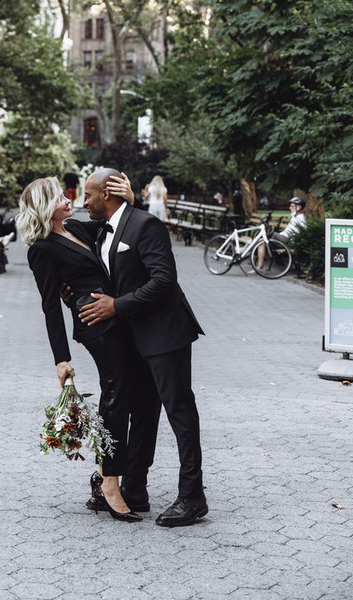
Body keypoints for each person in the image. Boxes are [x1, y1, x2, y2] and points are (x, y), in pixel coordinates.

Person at [80, 167, 207, 528]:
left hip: (166, 335)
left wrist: (115, 305)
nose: (83, 202)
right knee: (143, 412)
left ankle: (193, 497)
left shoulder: (145, 225)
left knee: (180, 413)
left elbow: (164, 280)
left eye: (88, 195)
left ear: (107, 194)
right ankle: (135, 488)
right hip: (134, 338)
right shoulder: (100, 228)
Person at [17, 175, 149, 523]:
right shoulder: (41, 249)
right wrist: (61, 359)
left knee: (125, 393)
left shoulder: (76, 226)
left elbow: (120, 226)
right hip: (96, 326)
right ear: (45, 205)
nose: (67, 198)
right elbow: (49, 305)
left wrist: (131, 200)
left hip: (117, 316)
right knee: (117, 392)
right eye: (58, 195)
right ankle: (109, 482)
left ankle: (113, 476)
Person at [256, 196, 307, 269]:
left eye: (292, 206)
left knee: (269, 234)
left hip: (288, 240)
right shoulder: (295, 217)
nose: (290, 208)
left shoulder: (301, 218)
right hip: (283, 238)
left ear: (298, 207)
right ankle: (259, 266)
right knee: (261, 241)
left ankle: (245, 253)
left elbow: (301, 233)